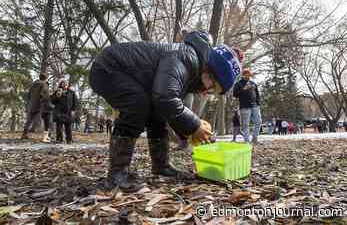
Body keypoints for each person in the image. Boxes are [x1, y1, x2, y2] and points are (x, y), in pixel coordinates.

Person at [89, 31, 242, 192]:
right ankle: (117, 174)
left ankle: (161, 166)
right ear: (210, 72)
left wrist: (188, 133)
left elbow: (164, 108)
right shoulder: (185, 58)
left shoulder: (192, 70)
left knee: (157, 114)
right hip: (108, 68)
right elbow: (165, 97)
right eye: (212, 87)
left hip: (130, 76)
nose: (207, 91)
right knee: (137, 106)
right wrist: (195, 125)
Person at [233, 68, 262, 144]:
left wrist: (258, 104)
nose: (247, 76)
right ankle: (246, 141)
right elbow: (235, 95)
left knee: (258, 122)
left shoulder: (253, 83)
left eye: (248, 74)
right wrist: (244, 89)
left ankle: (255, 138)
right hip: (245, 107)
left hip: (255, 106)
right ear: (243, 75)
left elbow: (257, 94)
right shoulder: (238, 84)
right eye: (245, 74)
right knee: (245, 124)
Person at [21, 73, 51, 140]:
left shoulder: (33, 85)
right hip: (42, 105)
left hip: (32, 104)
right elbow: (45, 96)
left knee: (29, 120)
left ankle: (24, 134)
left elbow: (28, 95)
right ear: (46, 78)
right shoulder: (44, 84)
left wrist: (31, 102)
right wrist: (48, 100)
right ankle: (47, 136)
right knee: (47, 120)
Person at [52, 79, 77, 144]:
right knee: (59, 126)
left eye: (66, 83)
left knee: (68, 126)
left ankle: (69, 139)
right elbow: (52, 101)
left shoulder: (71, 92)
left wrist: (73, 110)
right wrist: (57, 95)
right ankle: (59, 139)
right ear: (60, 84)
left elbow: (75, 102)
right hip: (59, 111)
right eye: (63, 83)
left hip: (68, 111)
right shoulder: (57, 91)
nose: (65, 84)